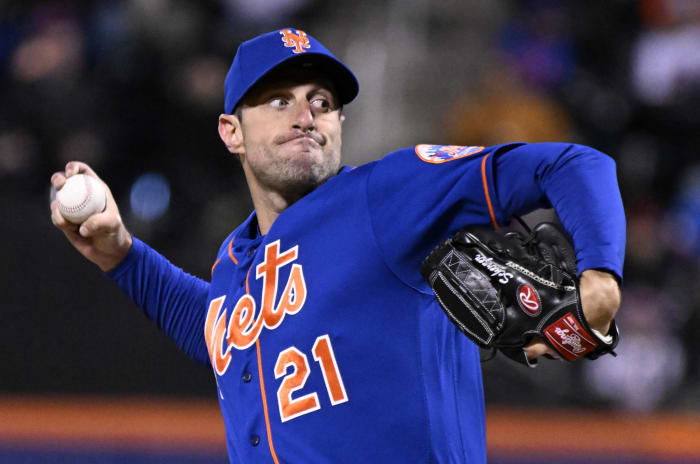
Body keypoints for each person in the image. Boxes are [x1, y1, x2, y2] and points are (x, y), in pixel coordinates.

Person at [50, 28, 625, 463]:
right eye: (280, 100)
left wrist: (600, 276)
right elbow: (225, 334)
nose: (306, 116)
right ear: (231, 132)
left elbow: (572, 163)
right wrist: (120, 253)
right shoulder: (234, 258)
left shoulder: (384, 195)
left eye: (321, 102)